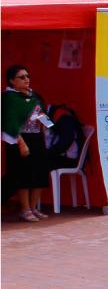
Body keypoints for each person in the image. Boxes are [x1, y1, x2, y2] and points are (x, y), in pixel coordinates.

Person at [3, 65, 53, 222]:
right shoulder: (8, 98)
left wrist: (48, 124)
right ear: (12, 81)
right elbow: (9, 122)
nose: (27, 79)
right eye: (22, 77)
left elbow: (41, 113)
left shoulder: (33, 96)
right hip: (19, 139)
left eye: (27, 76)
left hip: (37, 138)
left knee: (38, 173)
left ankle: (33, 208)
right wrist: (21, 143)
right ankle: (24, 209)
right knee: (22, 175)